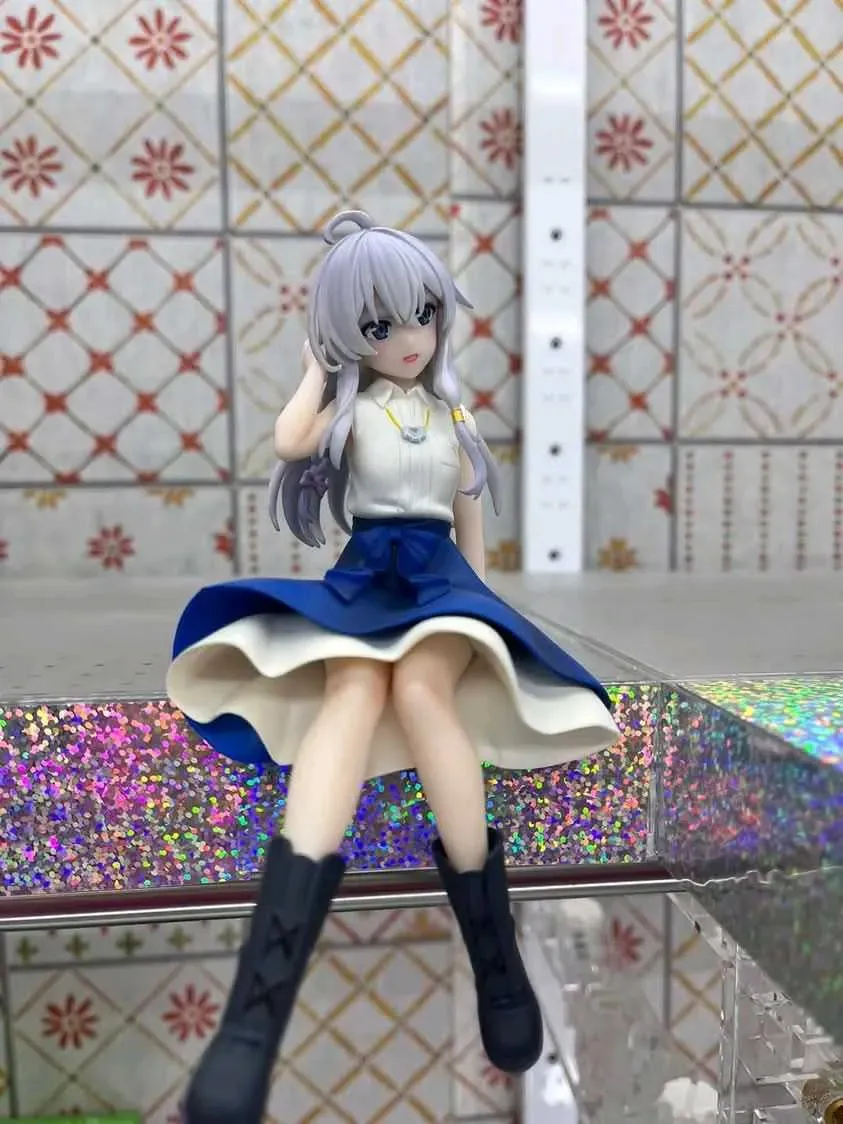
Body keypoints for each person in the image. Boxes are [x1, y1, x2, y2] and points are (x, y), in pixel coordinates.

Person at [167, 210, 618, 1124]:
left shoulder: (452, 416)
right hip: (368, 576)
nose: (410, 338)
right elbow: (290, 441)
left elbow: (470, 524)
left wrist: (485, 613)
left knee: (419, 687)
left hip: (443, 583)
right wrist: (316, 366)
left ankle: (493, 950)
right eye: (379, 325)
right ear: (349, 335)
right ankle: (254, 1014)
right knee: (352, 688)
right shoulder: (348, 409)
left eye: (423, 314)